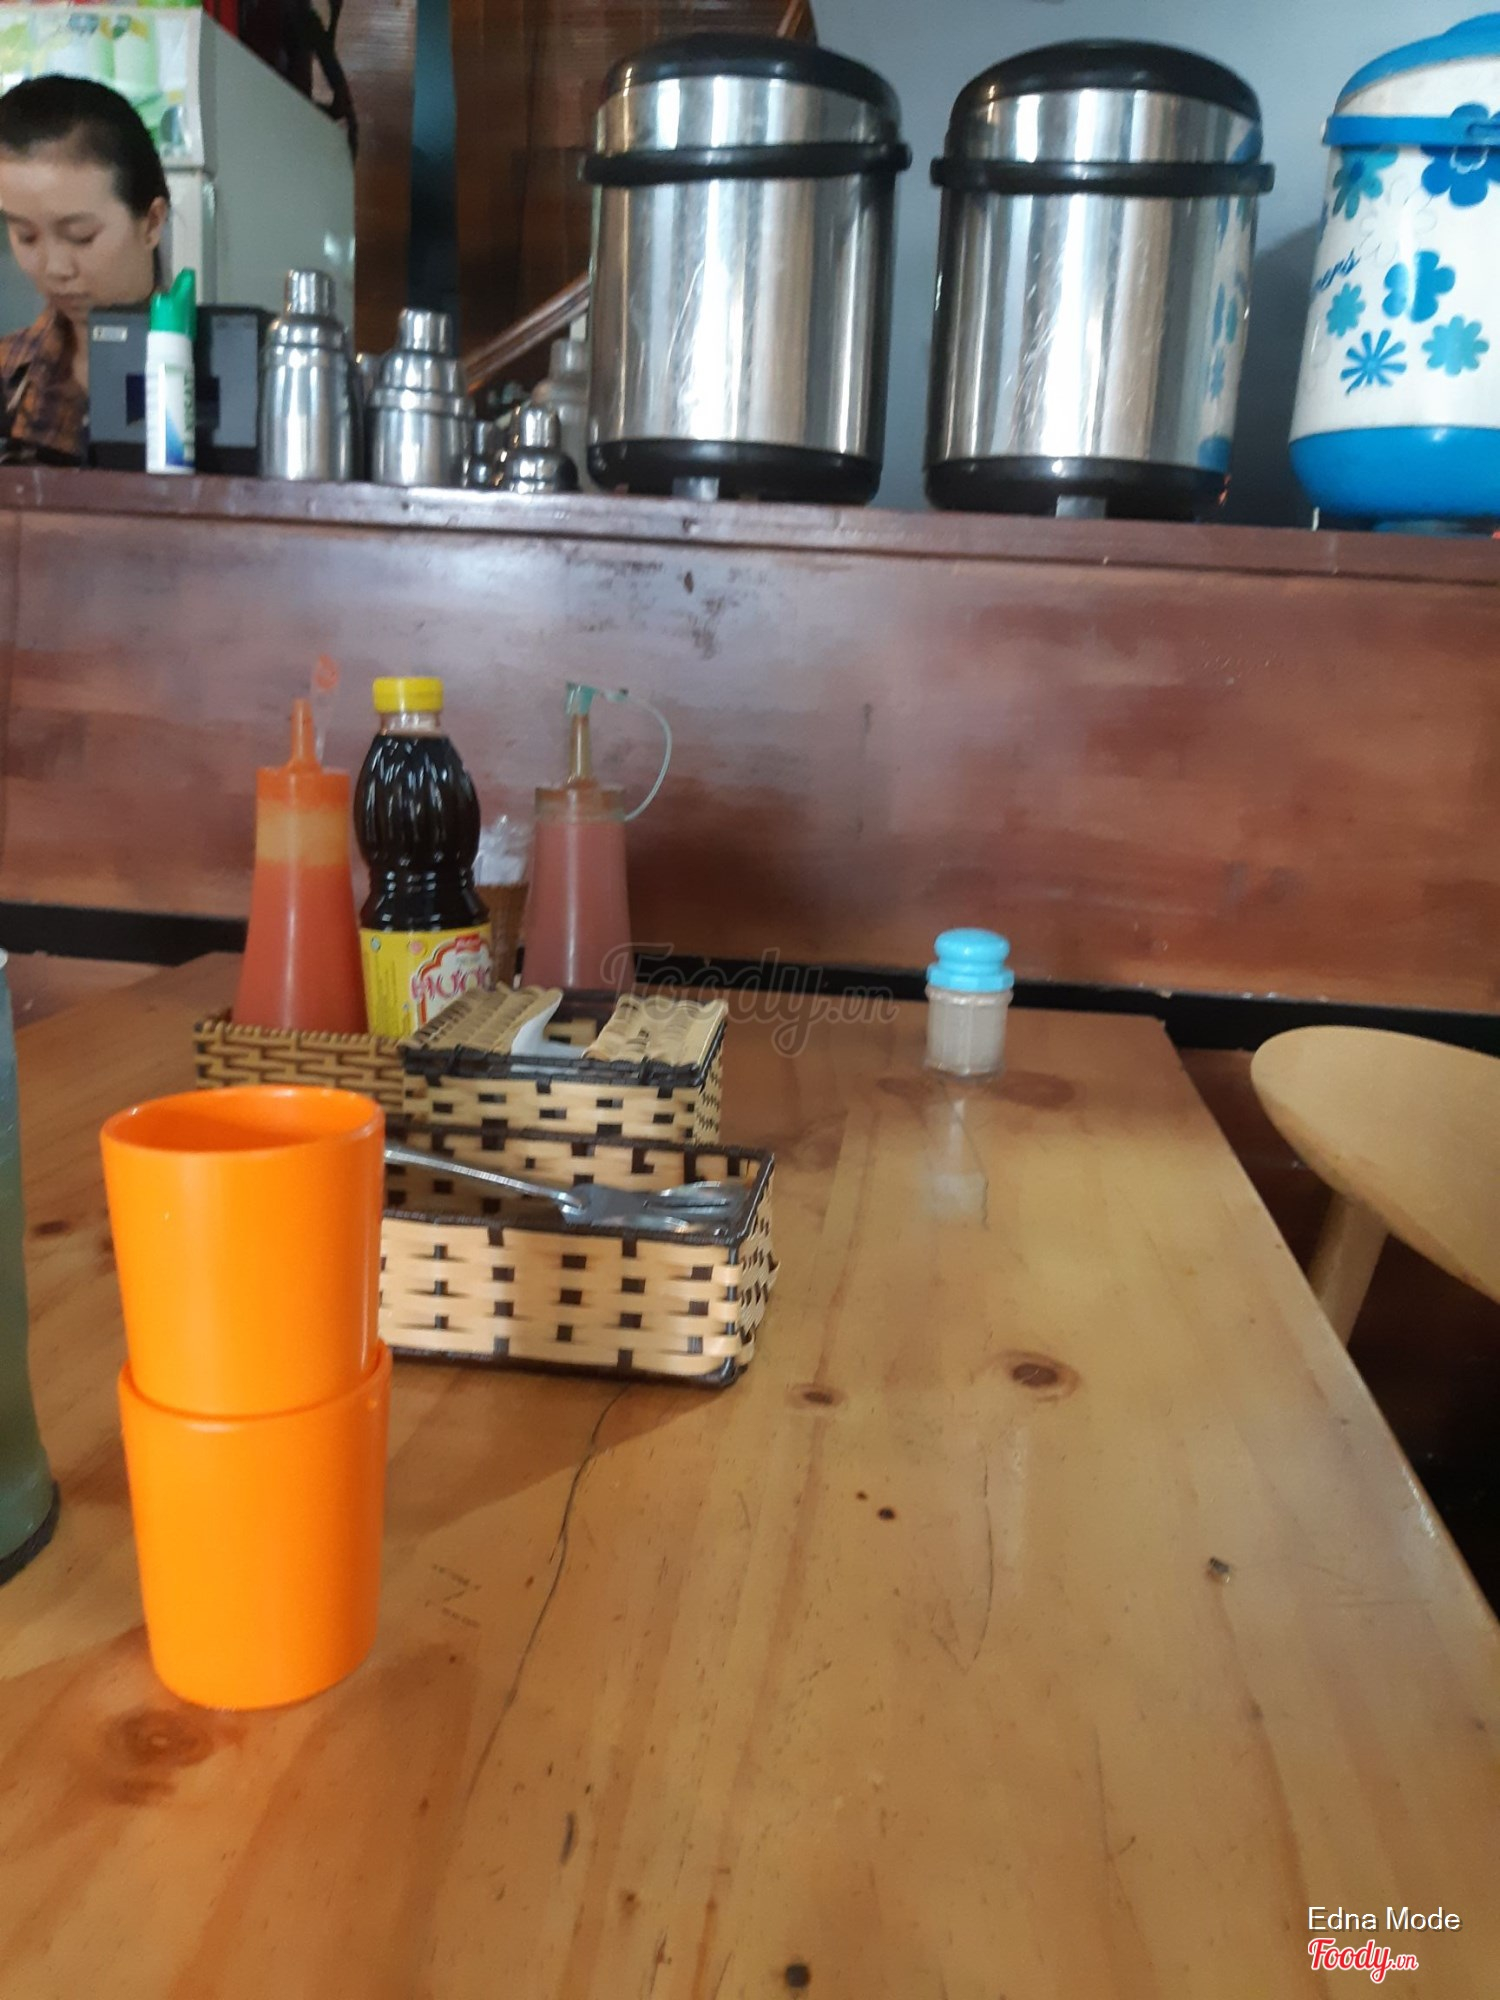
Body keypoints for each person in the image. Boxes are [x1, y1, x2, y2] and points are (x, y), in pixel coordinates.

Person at [0, 76, 169, 464]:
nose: (55, 268)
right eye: (26, 236)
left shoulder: (227, 372)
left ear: (151, 222)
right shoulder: (7, 371)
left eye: (81, 236)